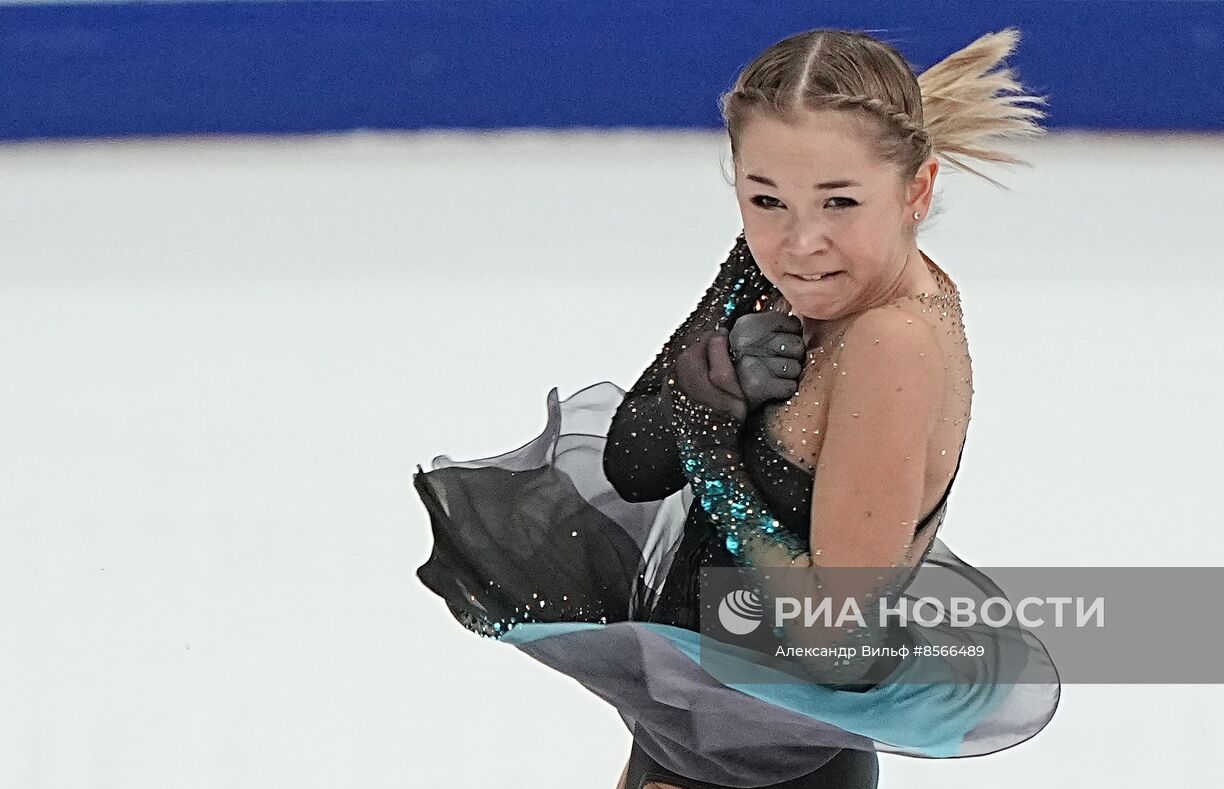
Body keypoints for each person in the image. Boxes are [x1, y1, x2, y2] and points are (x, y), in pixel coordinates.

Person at [413, 27, 1060, 789]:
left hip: (773, 761)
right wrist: (700, 392)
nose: (801, 241)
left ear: (917, 189)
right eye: (766, 199)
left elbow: (831, 638)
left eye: (840, 201)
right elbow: (629, 462)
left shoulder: (893, 343)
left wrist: (710, 447)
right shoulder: (765, 265)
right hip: (691, 730)